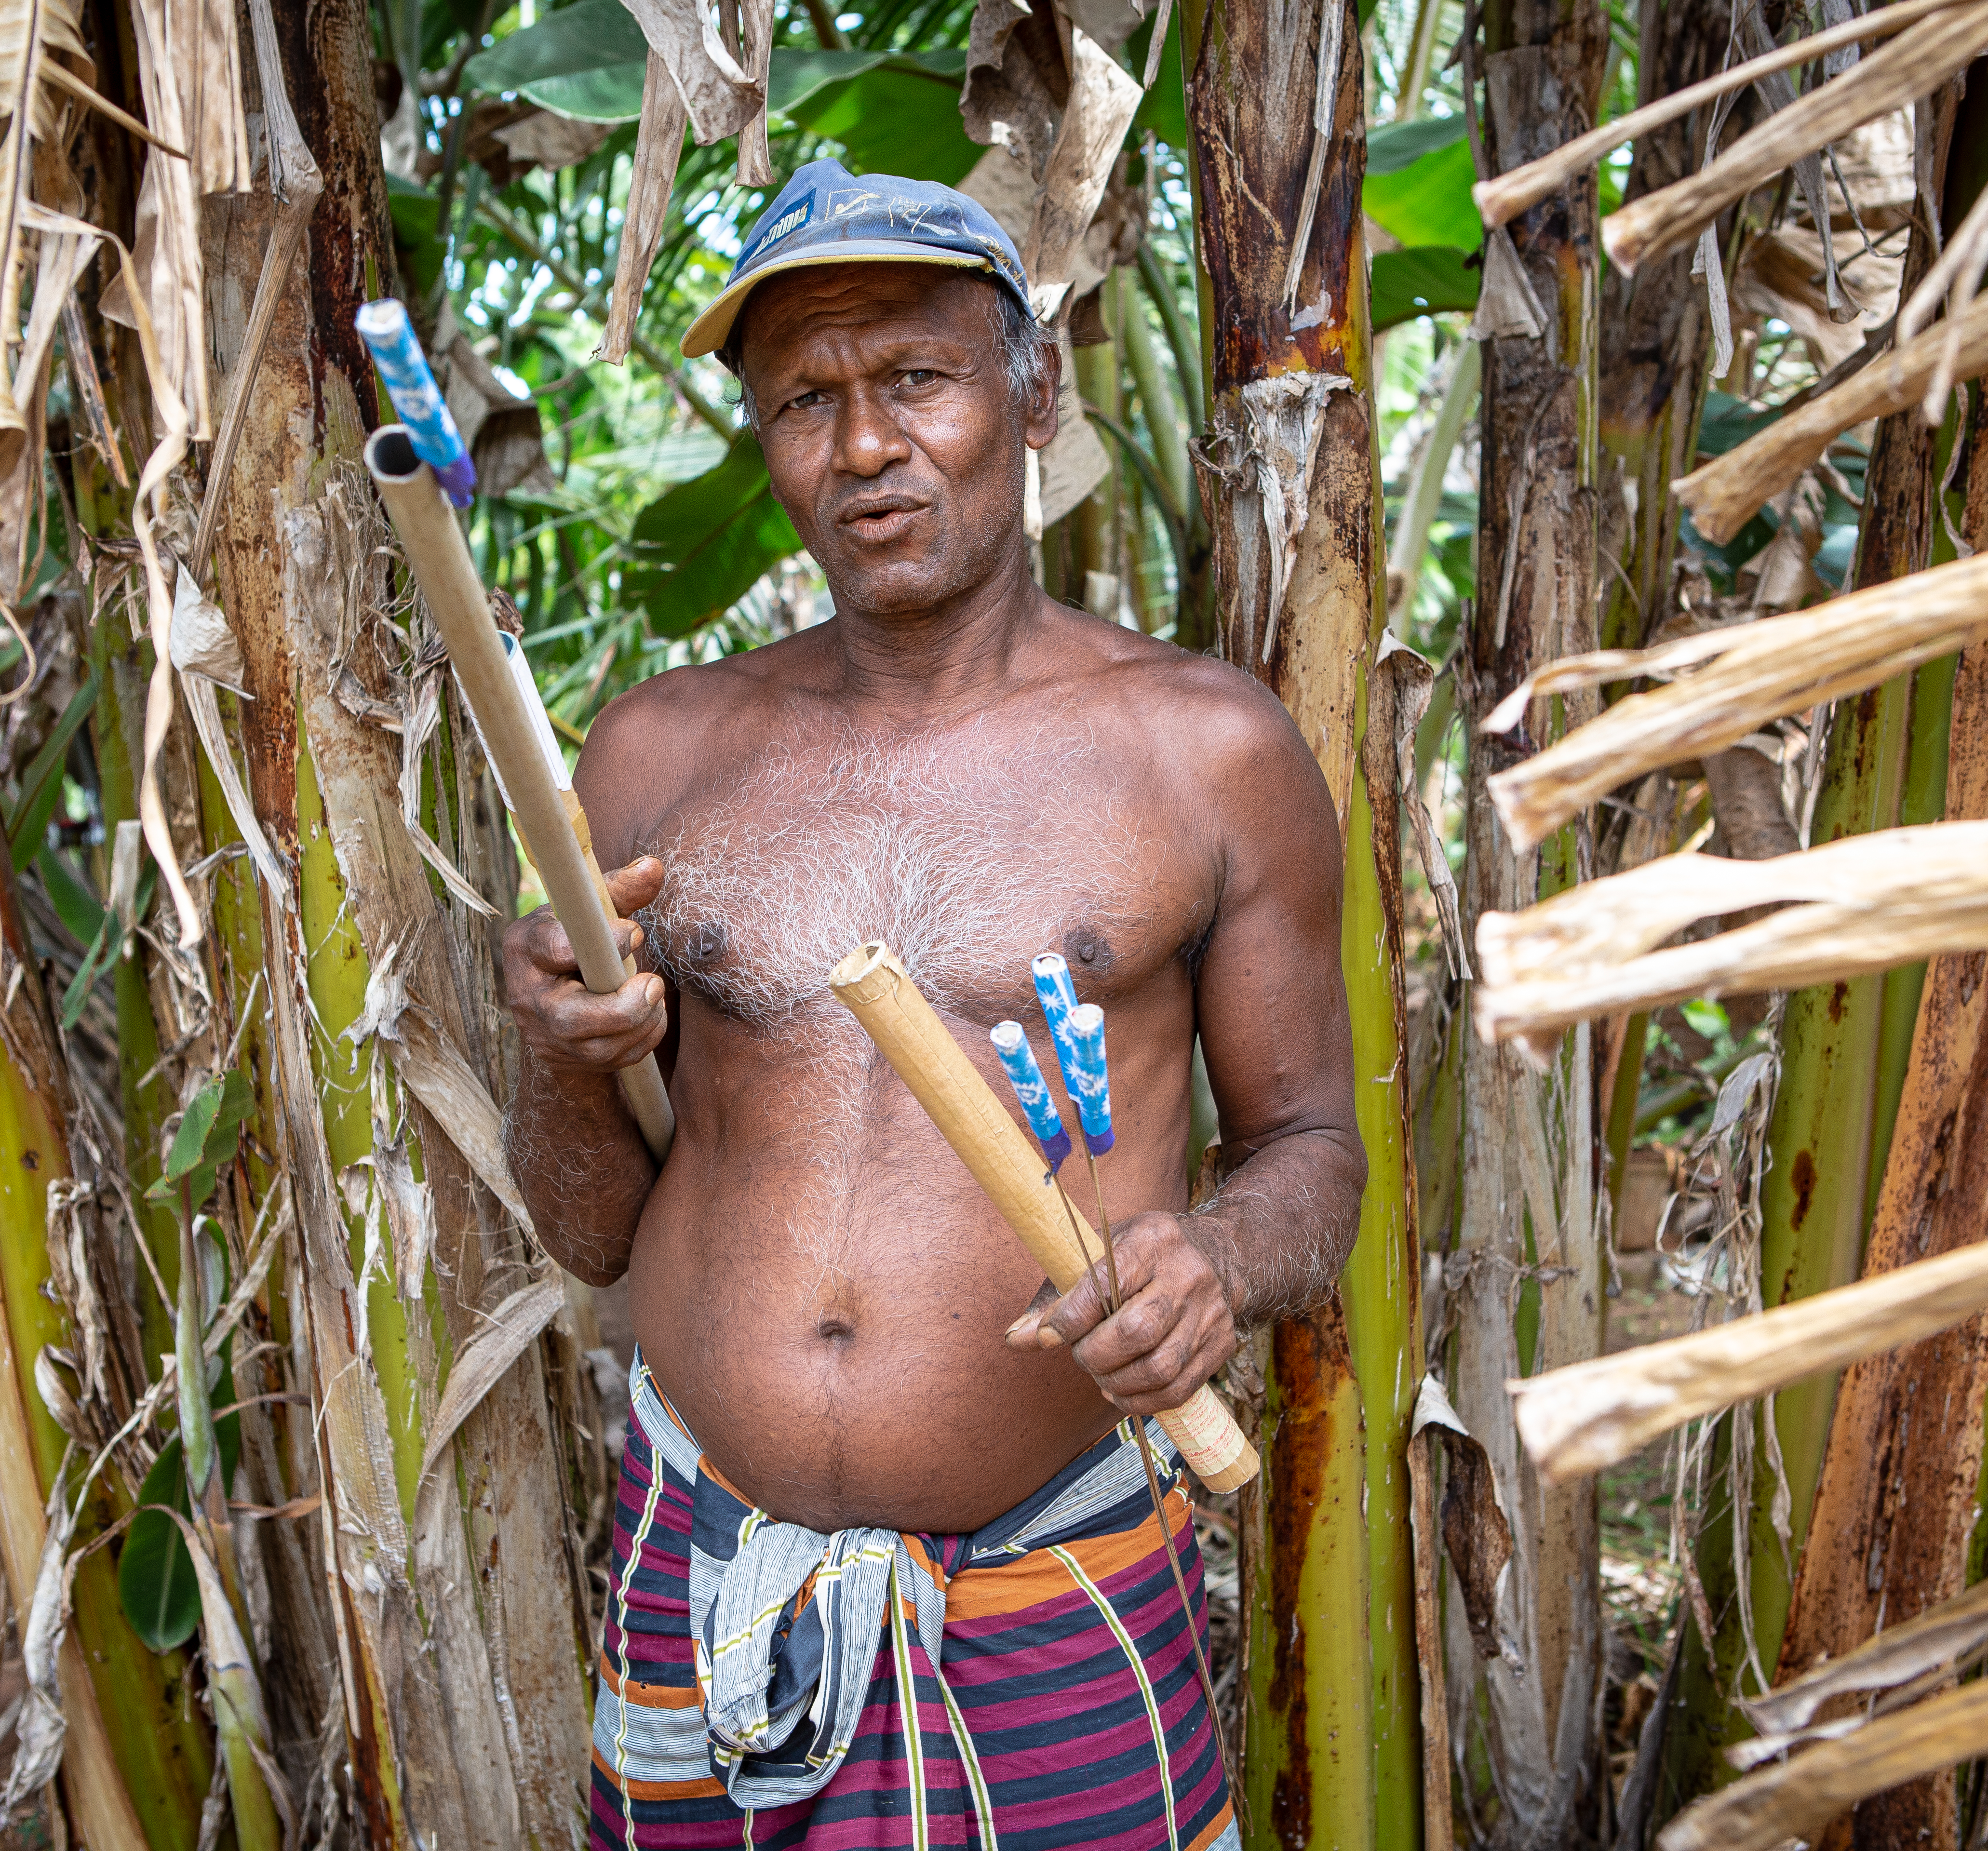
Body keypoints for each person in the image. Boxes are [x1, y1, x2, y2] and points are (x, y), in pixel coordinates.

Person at [500, 158, 1363, 1851]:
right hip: (704, 1567)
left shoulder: (1205, 753)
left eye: (916, 380)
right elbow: (589, 1231)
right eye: (807, 400)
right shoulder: (660, 755)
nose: (866, 448)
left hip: (1050, 1576)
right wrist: (561, 1067)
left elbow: (1312, 1149)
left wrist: (1219, 1265)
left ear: (1031, 392)